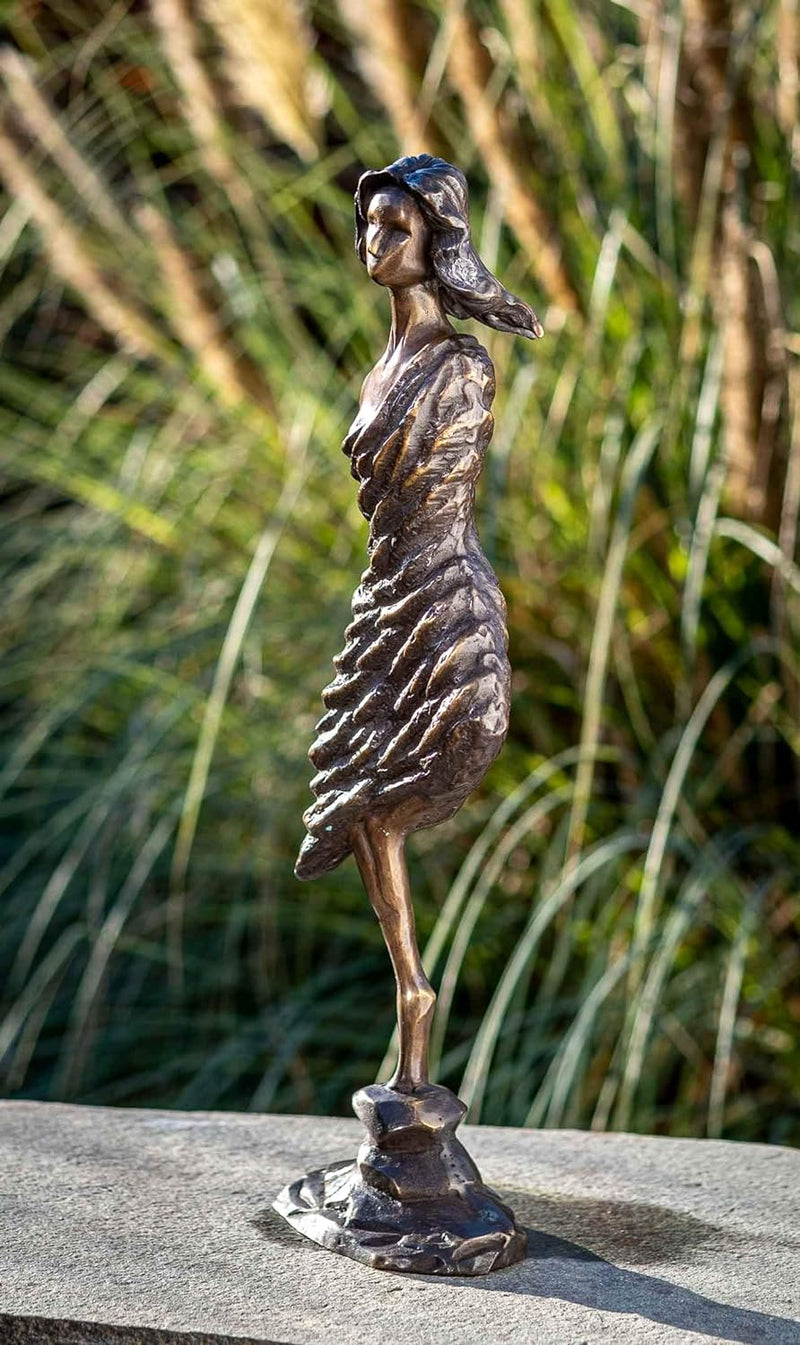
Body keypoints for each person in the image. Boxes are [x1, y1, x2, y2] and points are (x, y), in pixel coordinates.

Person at [295, 154, 542, 1089]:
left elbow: (434, 494)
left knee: (400, 779)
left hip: (437, 592)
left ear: (438, 238)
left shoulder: (461, 365)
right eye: (370, 225)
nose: (375, 241)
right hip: (384, 591)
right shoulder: (379, 368)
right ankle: (410, 992)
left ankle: (415, 1012)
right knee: (362, 802)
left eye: (397, 227)